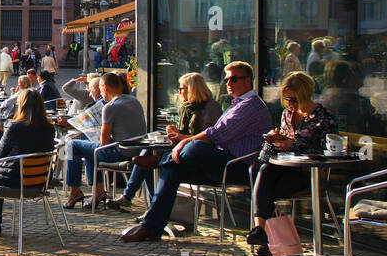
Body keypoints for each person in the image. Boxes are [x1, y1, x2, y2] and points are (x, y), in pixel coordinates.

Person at [123, 61, 271, 243]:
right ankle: (151, 227)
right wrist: (182, 140)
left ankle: (161, 160)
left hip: (238, 166)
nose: (228, 84)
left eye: (233, 79)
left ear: (247, 81)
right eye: (226, 80)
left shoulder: (250, 105)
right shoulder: (236, 104)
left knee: (194, 147)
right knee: (173, 169)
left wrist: (183, 141)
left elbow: (216, 134)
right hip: (219, 160)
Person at [248, 71, 339, 256]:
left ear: (305, 95)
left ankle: (262, 234)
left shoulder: (322, 117)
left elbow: (326, 150)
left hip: (308, 173)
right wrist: (276, 139)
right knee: (263, 171)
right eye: (287, 99)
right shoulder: (287, 114)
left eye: (294, 99)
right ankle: (264, 235)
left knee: (264, 185)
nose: (290, 104)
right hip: (284, 168)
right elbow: (283, 143)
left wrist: (293, 144)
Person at [110, 72, 222, 212]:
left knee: (147, 159)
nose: (179, 92)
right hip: (180, 147)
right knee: (146, 156)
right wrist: (175, 132)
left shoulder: (211, 107)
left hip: (198, 152)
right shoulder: (186, 107)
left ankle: (138, 200)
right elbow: (184, 132)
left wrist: (179, 136)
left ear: (192, 89)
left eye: (181, 88)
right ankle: (150, 206)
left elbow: (209, 135)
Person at [0, 88, 57, 236]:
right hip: (41, 179)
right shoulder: (49, 128)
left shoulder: (15, 127)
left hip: (17, 180)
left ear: (21, 106)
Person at [62, 71, 147, 209]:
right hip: (137, 150)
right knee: (88, 147)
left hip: (120, 153)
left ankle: (75, 191)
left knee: (72, 145)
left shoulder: (110, 106)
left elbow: (104, 142)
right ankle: (98, 191)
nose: (100, 94)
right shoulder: (134, 101)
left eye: (100, 89)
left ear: (105, 87)